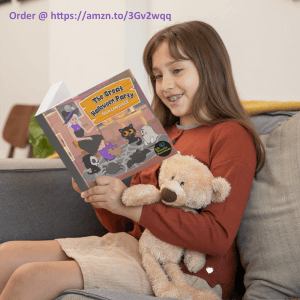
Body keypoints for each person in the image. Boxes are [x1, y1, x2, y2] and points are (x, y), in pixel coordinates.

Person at [0, 21, 265, 300]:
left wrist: (132, 207)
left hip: (185, 273)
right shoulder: (157, 135)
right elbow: (127, 228)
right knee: (6, 256)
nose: (166, 85)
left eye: (176, 70)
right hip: (135, 247)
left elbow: (218, 236)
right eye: (158, 75)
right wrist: (100, 194)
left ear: (210, 68)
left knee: (32, 277)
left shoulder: (230, 135)